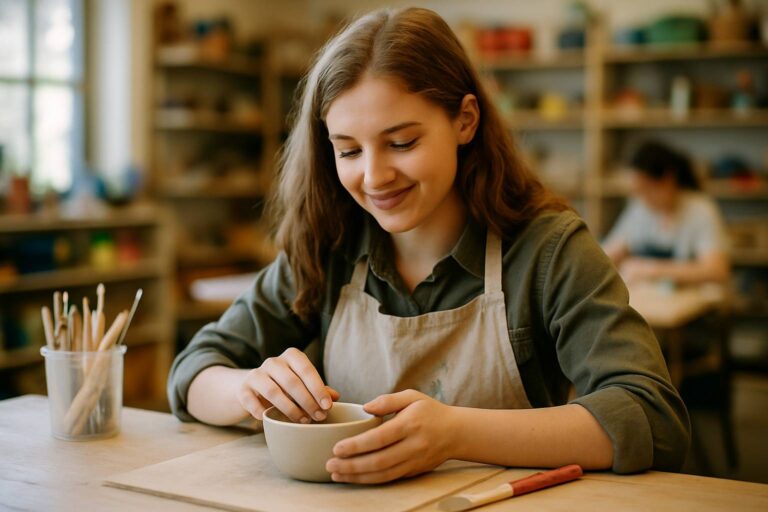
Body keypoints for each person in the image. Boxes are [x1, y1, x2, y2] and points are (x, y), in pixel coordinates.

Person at [168, 7, 689, 484]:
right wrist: (247, 389)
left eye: (402, 143)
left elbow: (652, 416)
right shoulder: (329, 247)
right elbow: (192, 373)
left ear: (465, 120)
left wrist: (455, 434)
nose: (374, 176)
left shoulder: (547, 251)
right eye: (348, 150)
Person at [603, 140, 730, 285]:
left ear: (668, 179)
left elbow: (716, 270)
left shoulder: (700, 210)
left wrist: (650, 269)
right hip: (654, 300)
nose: (642, 198)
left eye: (646, 189)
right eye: (638, 191)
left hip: (692, 300)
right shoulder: (639, 209)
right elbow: (609, 254)